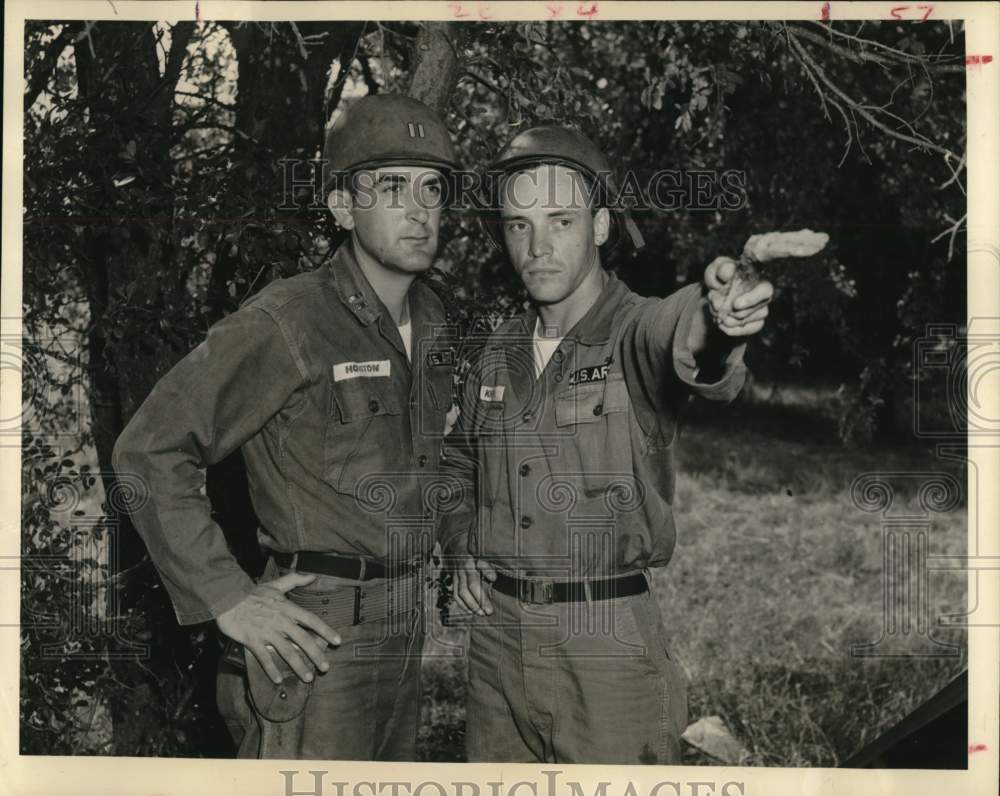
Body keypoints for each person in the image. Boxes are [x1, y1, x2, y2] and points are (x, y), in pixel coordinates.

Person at [112, 93, 460, 760]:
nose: (419, 209)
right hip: (314, 637)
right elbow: (148, 448)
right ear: (341, 206)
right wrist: (227, 595)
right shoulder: (288, 320)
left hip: (404, 626)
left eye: (432, 188)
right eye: (391, 186)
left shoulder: (436, 321)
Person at [438, 126, 773, 764]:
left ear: (598, 226)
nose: (537, 246)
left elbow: (681, 334)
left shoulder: (632, 330)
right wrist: (459, 542)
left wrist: (717, 319)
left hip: (607, 647)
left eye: (560, 220)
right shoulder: (497, 350)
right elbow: (458, 461)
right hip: (496, 646)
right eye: (518, 224)